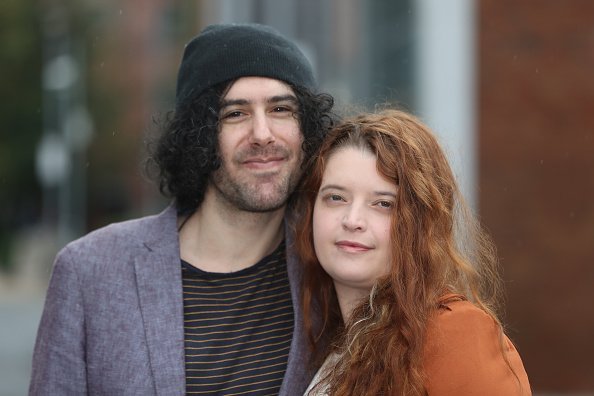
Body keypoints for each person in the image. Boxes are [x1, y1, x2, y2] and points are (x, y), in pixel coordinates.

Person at [29, 23, 334, 395]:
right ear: (199, 134)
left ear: (307, 128)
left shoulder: (333, 268)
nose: (263, 133)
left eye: (281, 109)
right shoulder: (88, 272)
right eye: (235, 113)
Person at [294, 109, 531, 395]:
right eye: (335, 197)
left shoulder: (456, 333)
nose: (352, 220)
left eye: (383, 204)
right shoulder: (328, 348)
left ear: (421, 222)